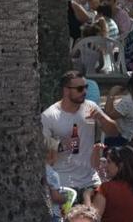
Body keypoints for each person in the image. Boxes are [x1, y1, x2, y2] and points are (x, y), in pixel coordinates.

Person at [42, 71, 119, 204]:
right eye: (79, 89)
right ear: (66, 91)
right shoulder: (49, 116)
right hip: (64, 183)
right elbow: (43, 152)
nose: (84, 92)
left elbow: (114, 132)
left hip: (91, 180)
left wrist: (101, 118)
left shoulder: (90, 107)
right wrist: (63, 145)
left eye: (86, 87)